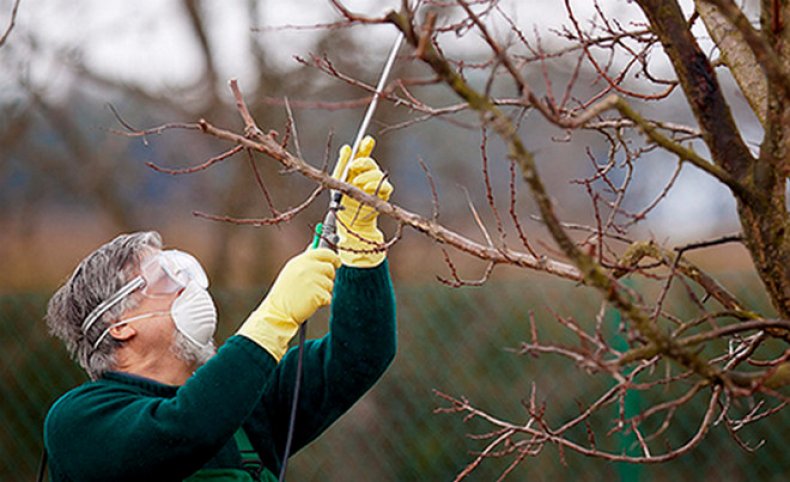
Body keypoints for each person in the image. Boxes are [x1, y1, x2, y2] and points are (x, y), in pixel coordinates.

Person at [43, 138, 396, 481]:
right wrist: (275, 318)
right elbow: (183, 432)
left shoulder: (248, 406)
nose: (189, 287)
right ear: (116, 323)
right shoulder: (79, 420)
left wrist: (360, 245)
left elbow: (360, 355)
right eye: (165, 278)